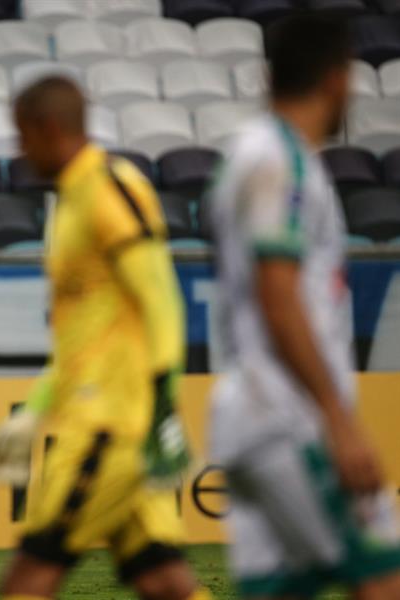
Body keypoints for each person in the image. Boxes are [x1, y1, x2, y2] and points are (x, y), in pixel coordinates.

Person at [0, 76, 209, 600]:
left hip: (112, 425)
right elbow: (80, 336)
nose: (20, 151)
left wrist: (162, 406)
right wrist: (34, 410)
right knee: (165, 581)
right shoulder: (70, 203)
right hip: (100, 415)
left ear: (48, 127)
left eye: (22, 136)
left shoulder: (111, 186)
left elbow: (162, 300)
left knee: (26, 581)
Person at [208, 13, 400, 599]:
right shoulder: (279, 160)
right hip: (289, 418)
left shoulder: (252, 154)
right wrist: (338, 421)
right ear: (339, 78)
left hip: (254, 412)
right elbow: (277, 292)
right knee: (383, 575)